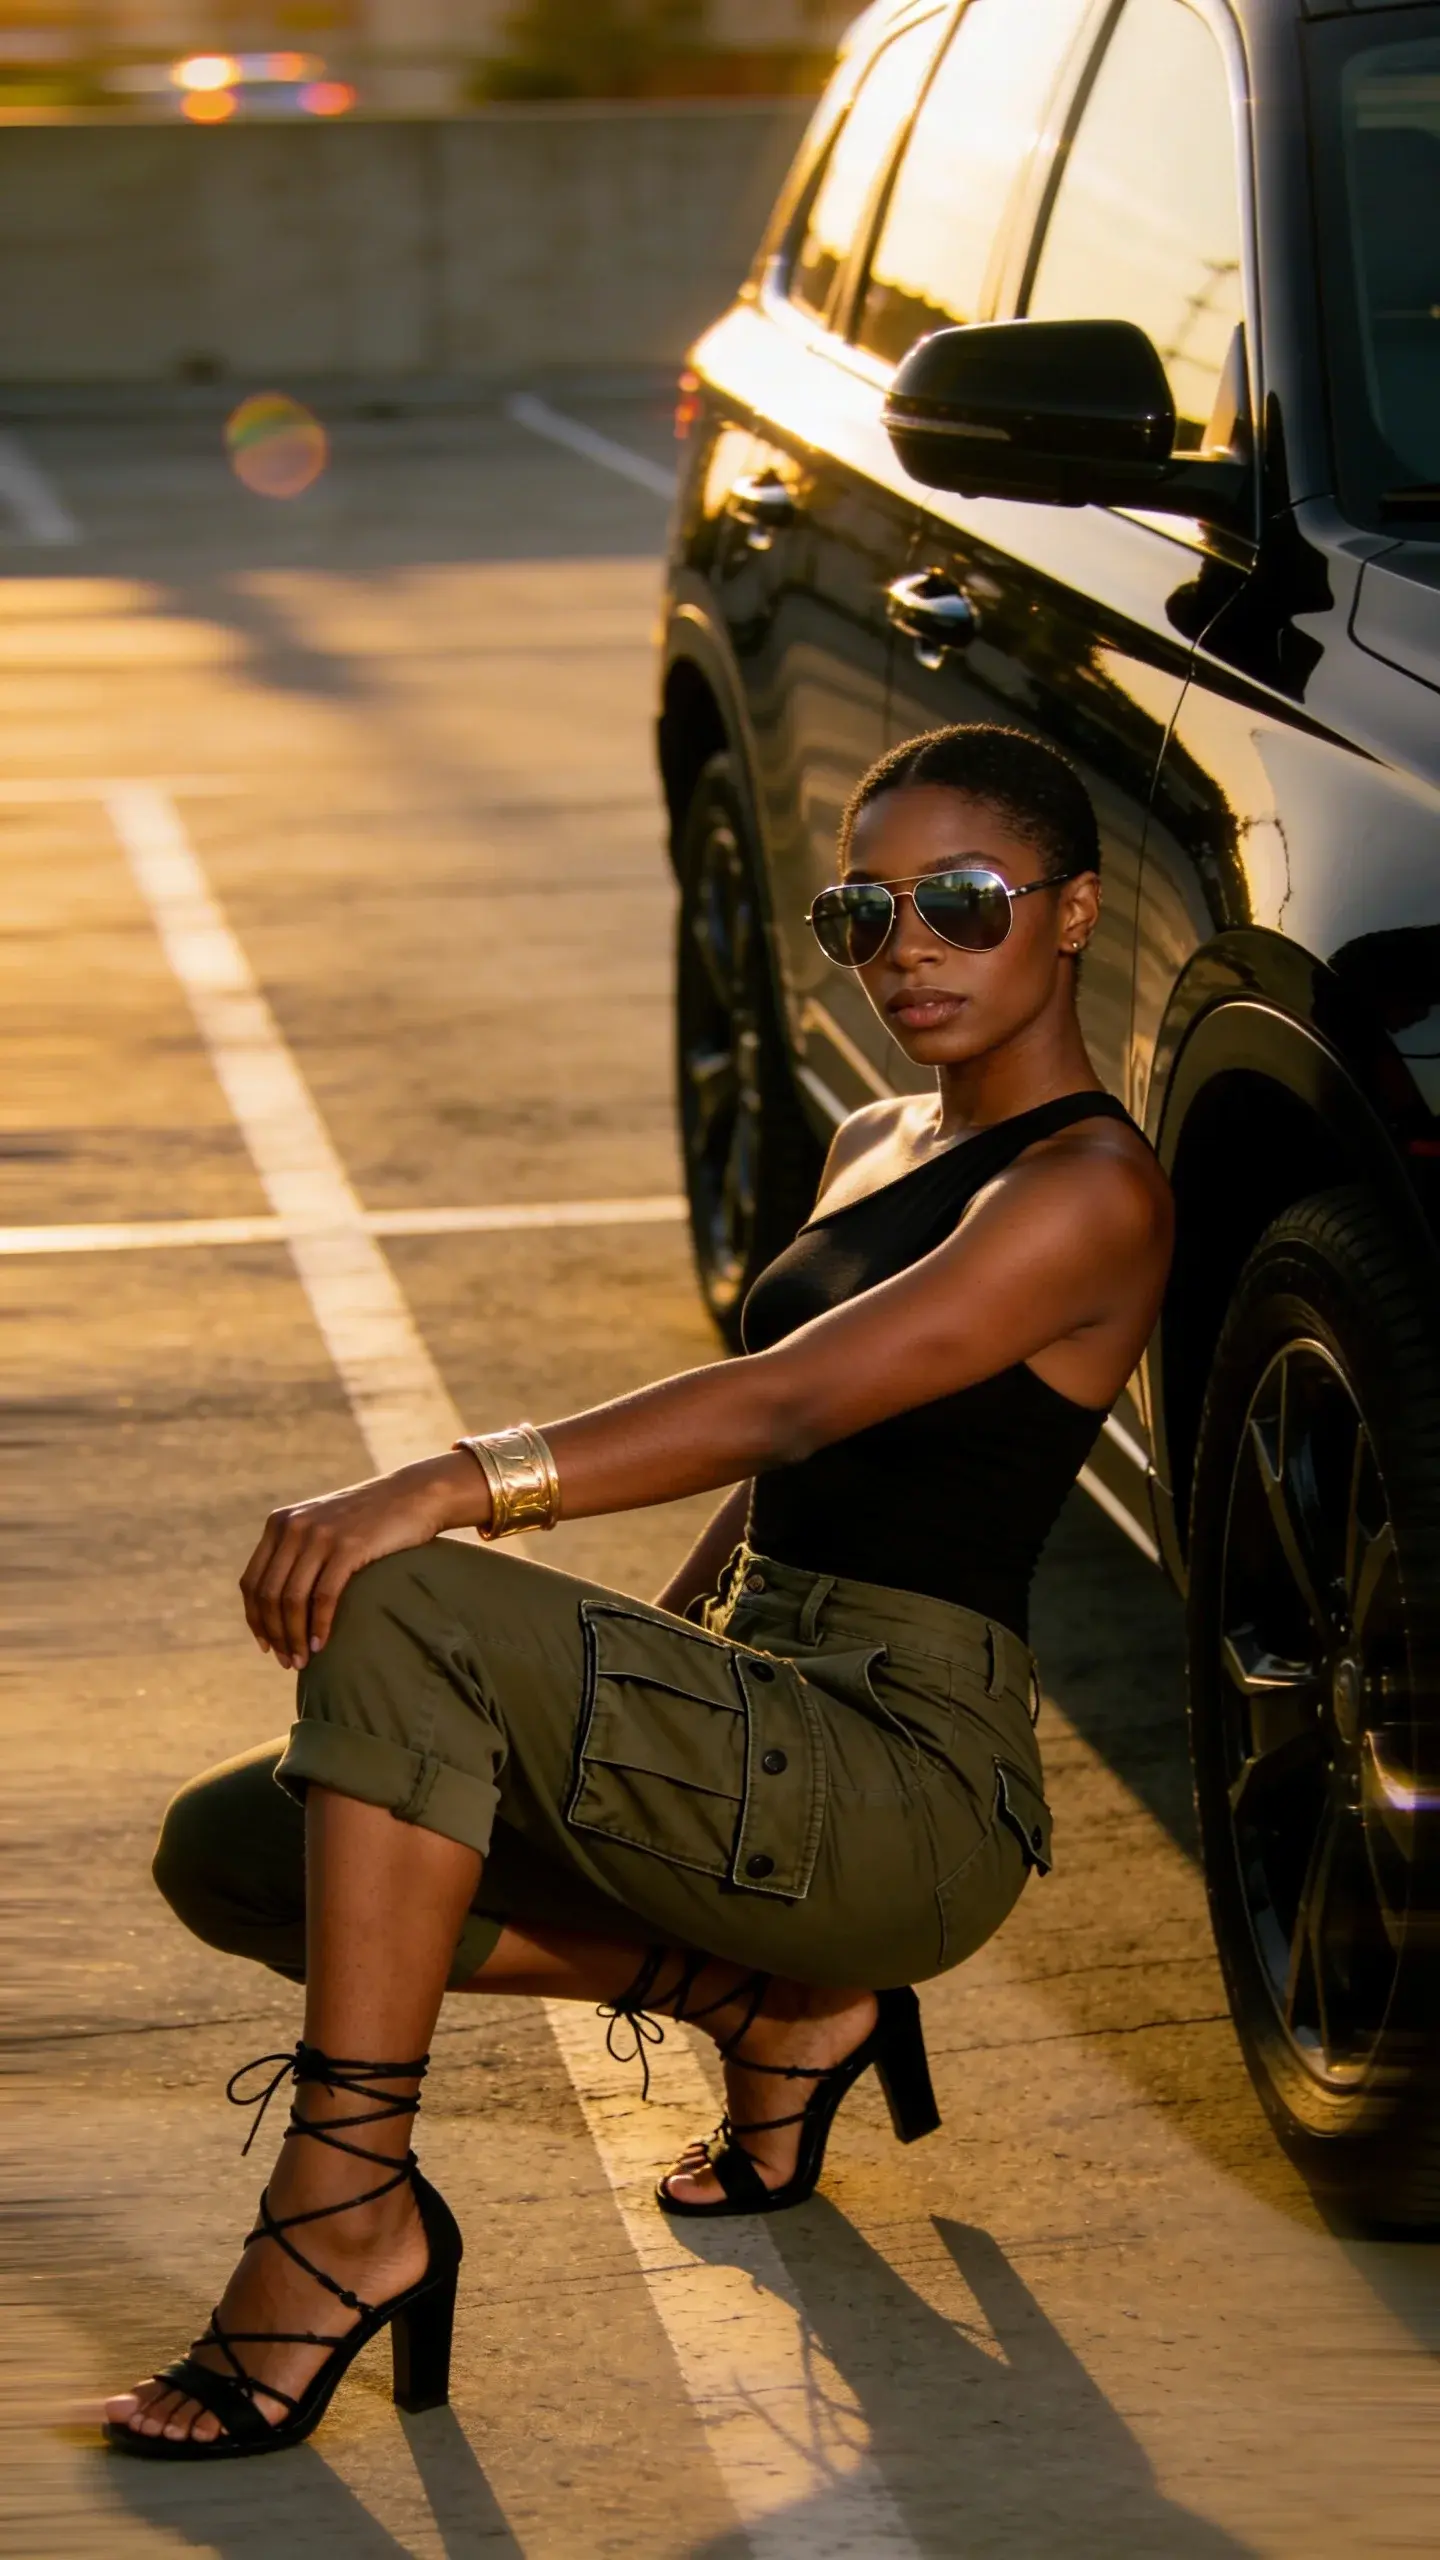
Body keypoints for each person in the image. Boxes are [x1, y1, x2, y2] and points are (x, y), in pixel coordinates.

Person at [103, 722, 1173, 2459]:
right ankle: (765, 2005)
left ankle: (344, 2217)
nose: (909, 948)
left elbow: (791, 1394)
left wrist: (454, 1479)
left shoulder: (1093, 1191)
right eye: (864, 912)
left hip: (905, 1772)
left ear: (1069, 915)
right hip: (763, 1703)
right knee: (236, 1847)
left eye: (962, 903)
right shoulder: (876, 1137)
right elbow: (785, 1474)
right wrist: (659, 1657)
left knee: (407, 1598)